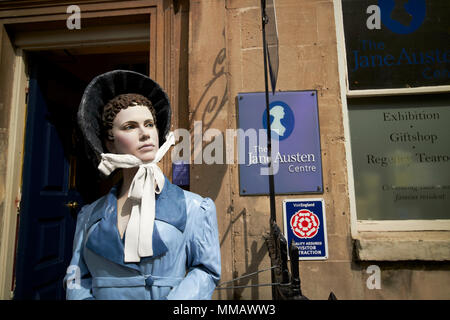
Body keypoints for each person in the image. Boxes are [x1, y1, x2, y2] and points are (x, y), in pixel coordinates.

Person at [64, 70, 221, 300]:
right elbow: (76, 276)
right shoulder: (89, 215)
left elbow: (206, 271)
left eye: (149, 124)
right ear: (110, 141)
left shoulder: (194, 208)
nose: (145, 134)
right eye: (129, 126)